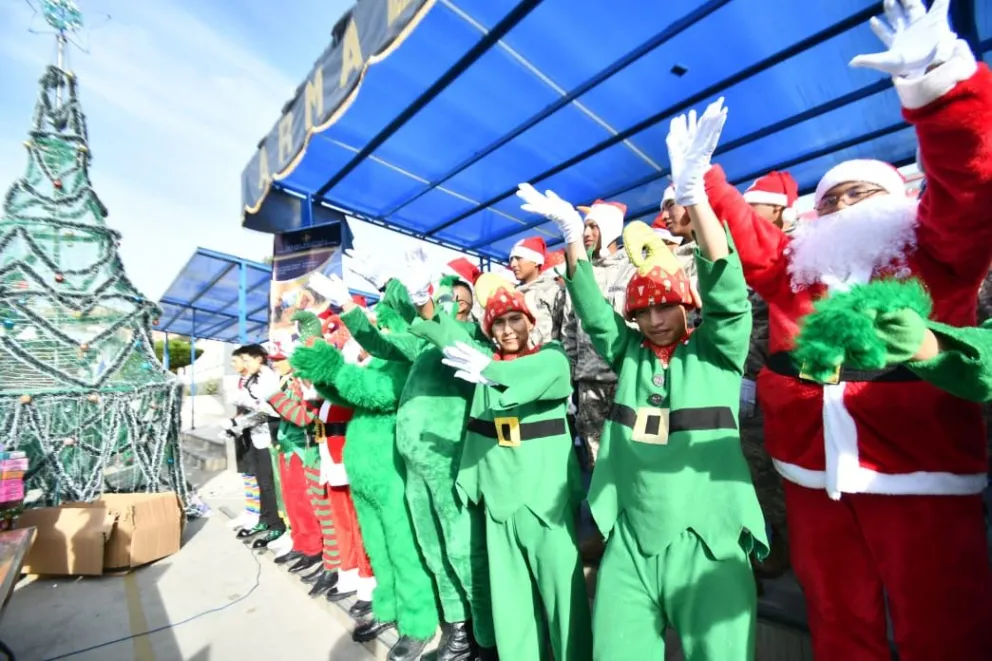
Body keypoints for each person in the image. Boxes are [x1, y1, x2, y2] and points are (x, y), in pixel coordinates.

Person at [701, 2, 992, 658]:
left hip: (917, 471)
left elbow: (969, 185)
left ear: (897, 202)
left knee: (943, 626)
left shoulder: (934, 250)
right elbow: (753, 240)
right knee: (837, 622)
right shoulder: (801, 272)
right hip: (809, 475)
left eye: (857, 193)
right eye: (829, 198)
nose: (839, 205)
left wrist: (941, 92)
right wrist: (706, 186)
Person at [516, 96, 767, 661]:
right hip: (631, 537)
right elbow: (595, 313)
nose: (654, 319)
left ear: (685, 305)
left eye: (665, 307)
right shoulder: (628, 355)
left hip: (708, 537)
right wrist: (571, 237)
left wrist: (696, 197)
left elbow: (728, 298)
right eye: (644, 311)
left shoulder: (715, 353)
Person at [313, 257, 497, 661]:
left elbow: (439, 330)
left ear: (465, 305)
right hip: (414, 466)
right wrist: (349, 306)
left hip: (450, 462)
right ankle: (457, 627)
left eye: (451, 297)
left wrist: (396, 288)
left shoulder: (467, 339)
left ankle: (485, 636)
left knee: (463, 548)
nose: (442, 303)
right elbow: (382, 343)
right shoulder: (421, 346)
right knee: (432, 550)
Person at [411, 272, 592, 661]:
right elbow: (446, 337)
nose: (508, 330)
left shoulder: (551, 356)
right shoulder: (483, 363)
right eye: (498, 323)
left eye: (514, 320)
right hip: (498, 502)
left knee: (565, 602)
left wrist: (491, 373)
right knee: (512, 607)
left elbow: (550, 378)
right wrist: (418, 298)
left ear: (530, 321)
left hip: (546, 504)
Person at [291, 283, 440, 661]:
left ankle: (419, 622)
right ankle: (387, 607)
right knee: (377, 546)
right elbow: (345, 394)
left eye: (386, 321)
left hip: (390, 471)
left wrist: (330, 363)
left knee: (403, 548)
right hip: (362, 471)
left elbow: (374, 392)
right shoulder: (376, 358)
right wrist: (315, 352)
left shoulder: (409, 358)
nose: (381, 330)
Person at [738, 170, 800, 582]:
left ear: (777, 209)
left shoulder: (792, 253)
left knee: (771, 463)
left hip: (773, 377)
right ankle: (757, 537)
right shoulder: (740, 255)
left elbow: (775, 322)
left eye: (752, 203)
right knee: (746, 460)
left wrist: (752, 372)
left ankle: (783, 542)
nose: (743, 210)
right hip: (739, 375)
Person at [265, 338, 335, 590]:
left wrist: (273, 397)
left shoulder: (305, 380)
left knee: (319, 510)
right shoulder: (289, 381)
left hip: (310, 450)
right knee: (295, 503)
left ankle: (319, 551)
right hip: (293, 449)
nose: (276, 365)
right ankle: (305, 545)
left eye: (279, 360)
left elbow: (305, 418)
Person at [224, 344, 286, 550]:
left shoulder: (269, 377)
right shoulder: (253, 377)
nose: (244, 364)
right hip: (255, 434)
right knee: (260, 481)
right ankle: (264, 519)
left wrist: (248, 406)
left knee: (269, 483)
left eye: (247, 359)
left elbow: (270, 411)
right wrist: (239, 425)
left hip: (269, 436)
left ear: (259, 359)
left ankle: (277, 525)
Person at [509, 236, 566, 347]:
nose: (513, 264)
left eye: (518, 258)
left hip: (547, 358)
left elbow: (567, 329)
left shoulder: (553, 290)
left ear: (535, 261)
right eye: (511, 259)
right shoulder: (511, 294)